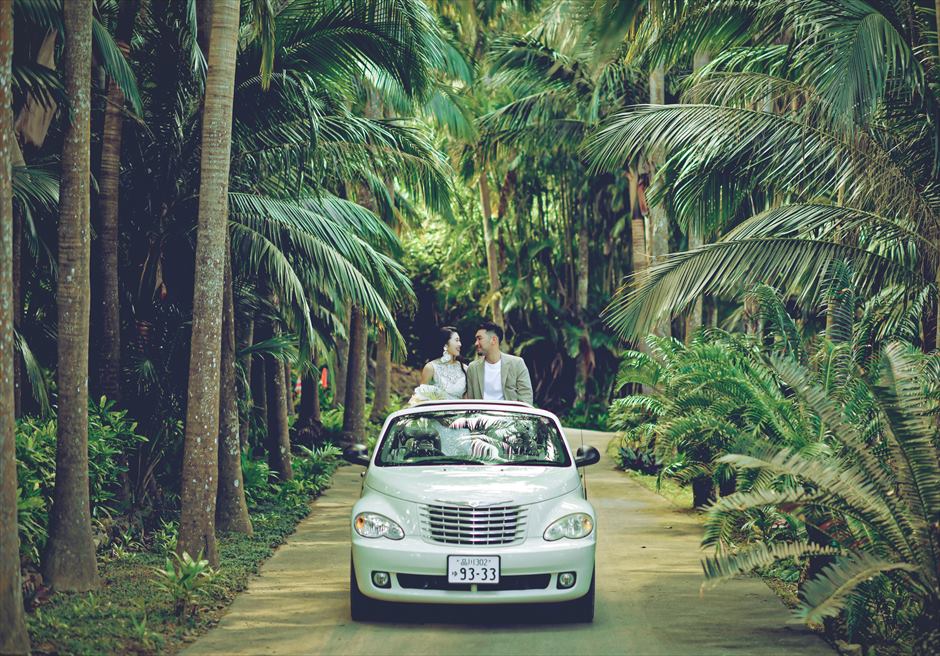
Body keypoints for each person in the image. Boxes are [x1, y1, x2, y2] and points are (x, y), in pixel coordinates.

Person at [467, 321, 533, 405]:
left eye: (479, 338)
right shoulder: (473, 368)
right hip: (482, 417)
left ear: (494, 340)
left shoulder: (517, 364)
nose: (476, 343)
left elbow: (526, 399)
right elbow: (471, 402)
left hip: (509, 416)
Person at [407, 326, 467, 405]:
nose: (460, 344)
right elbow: (421, 396)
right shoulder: (431, 368)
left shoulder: (465, 368)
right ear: (446, 344)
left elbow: (467, 399)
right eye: (457, 340)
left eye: (459, 341)